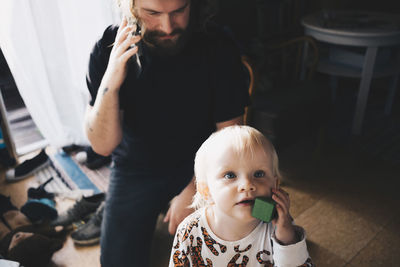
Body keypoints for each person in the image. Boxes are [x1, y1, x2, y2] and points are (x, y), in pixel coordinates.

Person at [84, 0, 249, 265]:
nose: (168, 26)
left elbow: (230, 136)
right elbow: (102, 145)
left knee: (266, 213)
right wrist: (111, 81)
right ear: (131, 8)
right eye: (152, 13)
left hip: (205, 165)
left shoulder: (217, 44)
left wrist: (198, 189)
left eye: (178, 11)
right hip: (135, 170)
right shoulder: (107, 48)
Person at [169, 125, 314, 266]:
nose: (247, 184)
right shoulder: (190, 231)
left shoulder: (278, 228)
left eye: (259, 174)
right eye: (230, 175)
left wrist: (287, 239)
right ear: (206, 191)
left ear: (275, 186)